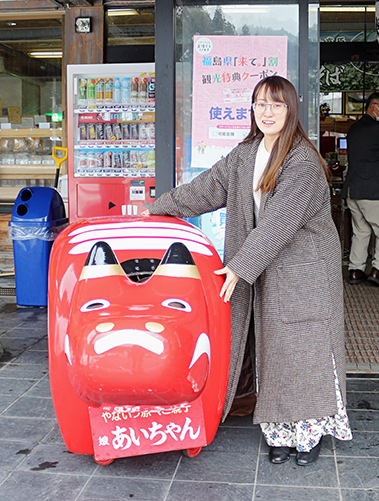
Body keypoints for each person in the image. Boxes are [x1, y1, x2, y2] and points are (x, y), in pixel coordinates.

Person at [143, 76, 351, 466]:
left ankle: (308, 435)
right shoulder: (246, 154)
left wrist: (238, 268)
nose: (267, 112)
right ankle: (278, 431)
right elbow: (205, 188)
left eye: (276, 104)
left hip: (304, 272)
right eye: (260, 104)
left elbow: (279, 221)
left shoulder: (303, 160)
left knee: (303, 353)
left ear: (290, 110)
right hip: (265, 269)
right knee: (270, 349)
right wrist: (159, 207)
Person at [342, 91, 379, 288]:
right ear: (373, 107)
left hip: (353, 189)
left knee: (361, 230)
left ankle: (355, 270)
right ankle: (378, 270)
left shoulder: (353, 129)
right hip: (372, 190)